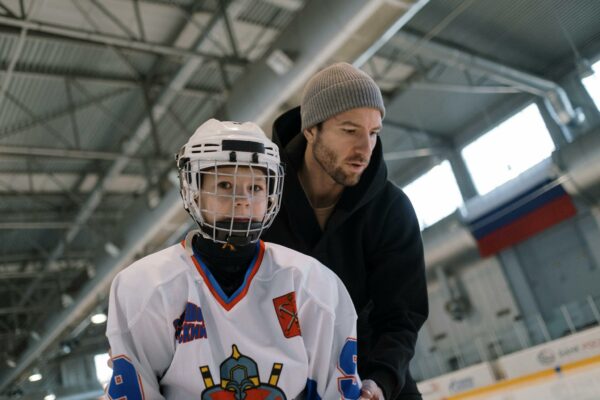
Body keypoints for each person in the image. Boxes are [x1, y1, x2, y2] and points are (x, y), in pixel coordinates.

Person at [105, 119, 365, 399]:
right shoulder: (145, 287)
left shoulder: (312, 284)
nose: (243, 199)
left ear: (271, 194)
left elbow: (336, 390)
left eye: (255, 187)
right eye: (225, 184)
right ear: (194, 191)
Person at [263, 62, 429, 400]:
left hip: (371, 375)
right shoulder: (260, 202)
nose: (365, 148)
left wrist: (379, 380)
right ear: (311, 129)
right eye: (350, 130)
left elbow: (401, 316)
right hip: (282, 380)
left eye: (373, 132)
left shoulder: (391, 209)